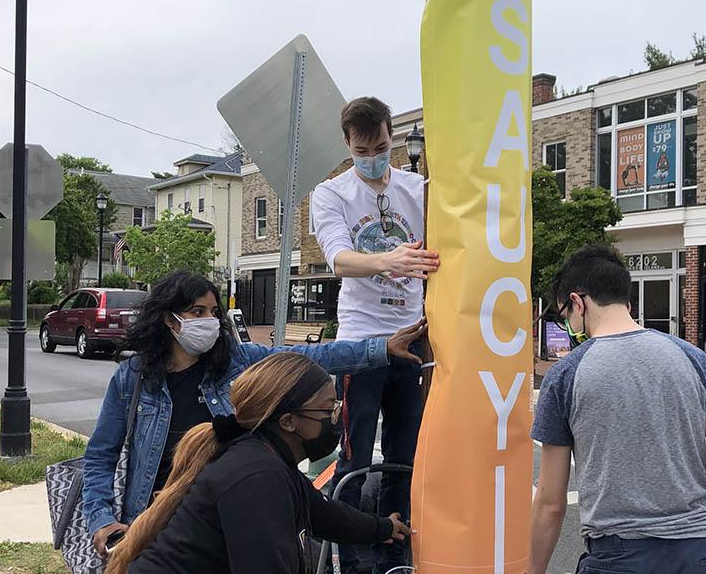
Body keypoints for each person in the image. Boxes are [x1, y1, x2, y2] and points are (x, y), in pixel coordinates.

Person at [82, 271, 426, 557]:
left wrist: (380, 348)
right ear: (168, 319)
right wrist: (102, 520)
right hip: (150, 526)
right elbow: (101, 456)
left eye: (214, 312)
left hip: (223, 521)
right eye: (196, 312)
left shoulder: (235, 362)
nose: (209, 321)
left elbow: (307, 358)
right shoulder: (134, 378)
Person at [529, 245, 706, 574]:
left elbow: (550, 504)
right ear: (627, 302)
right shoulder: (693, 359)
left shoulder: (565, 376)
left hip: (619, 556)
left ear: (578, 303)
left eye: (566, 316)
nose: (568, 325)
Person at [106, 352, 412, 574]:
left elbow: (328, 516)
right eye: (328, 409)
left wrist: (385, 527)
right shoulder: (258, 476)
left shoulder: (269, 459)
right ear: (290, 421)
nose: (336, 419)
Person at [309, 96, 439, 573]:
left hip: (411, 337)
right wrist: (391, 260)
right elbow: (339, 258)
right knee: (355, 459)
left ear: (392, 137)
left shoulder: (416, 188)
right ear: (348, 144)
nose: (374, 157)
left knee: (404, 458)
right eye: (363, 151)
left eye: (381, 146)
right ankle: (352, 559)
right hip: (360, 345)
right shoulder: (333, 194)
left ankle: (393, 552)